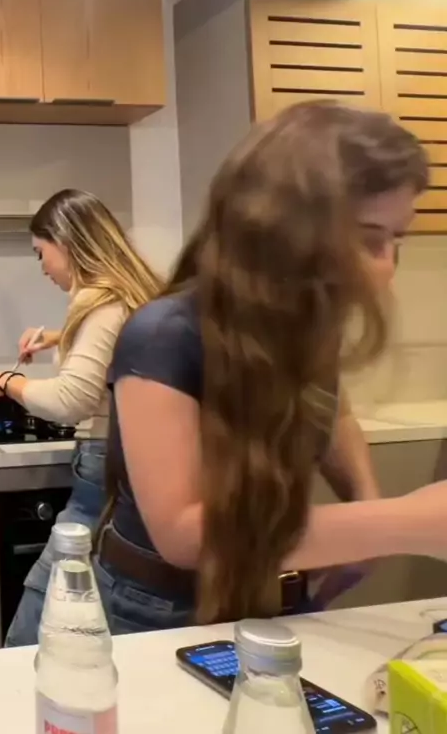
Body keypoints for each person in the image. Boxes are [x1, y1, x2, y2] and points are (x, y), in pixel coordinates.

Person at [88, 99, 447, 634]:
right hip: (161, 610)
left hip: (268, 592)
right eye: (370, 239)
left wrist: (364, 499)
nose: (386, 267)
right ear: (284, 229)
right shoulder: (164, 333)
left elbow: (332, 410)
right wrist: (397, 523)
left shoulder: (303, 323)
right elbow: (183, 534)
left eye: (396, 240)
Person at [0, 189, 159, 646]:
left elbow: (70, 400)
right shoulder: (131, 296)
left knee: (31, 633)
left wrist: (4, 382)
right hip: (131, 473)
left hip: (101, 478)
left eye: (41, 253)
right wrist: (61, 337)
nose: (42, 267)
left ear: (65, 241)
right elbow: (118, 343)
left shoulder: (99, 301)